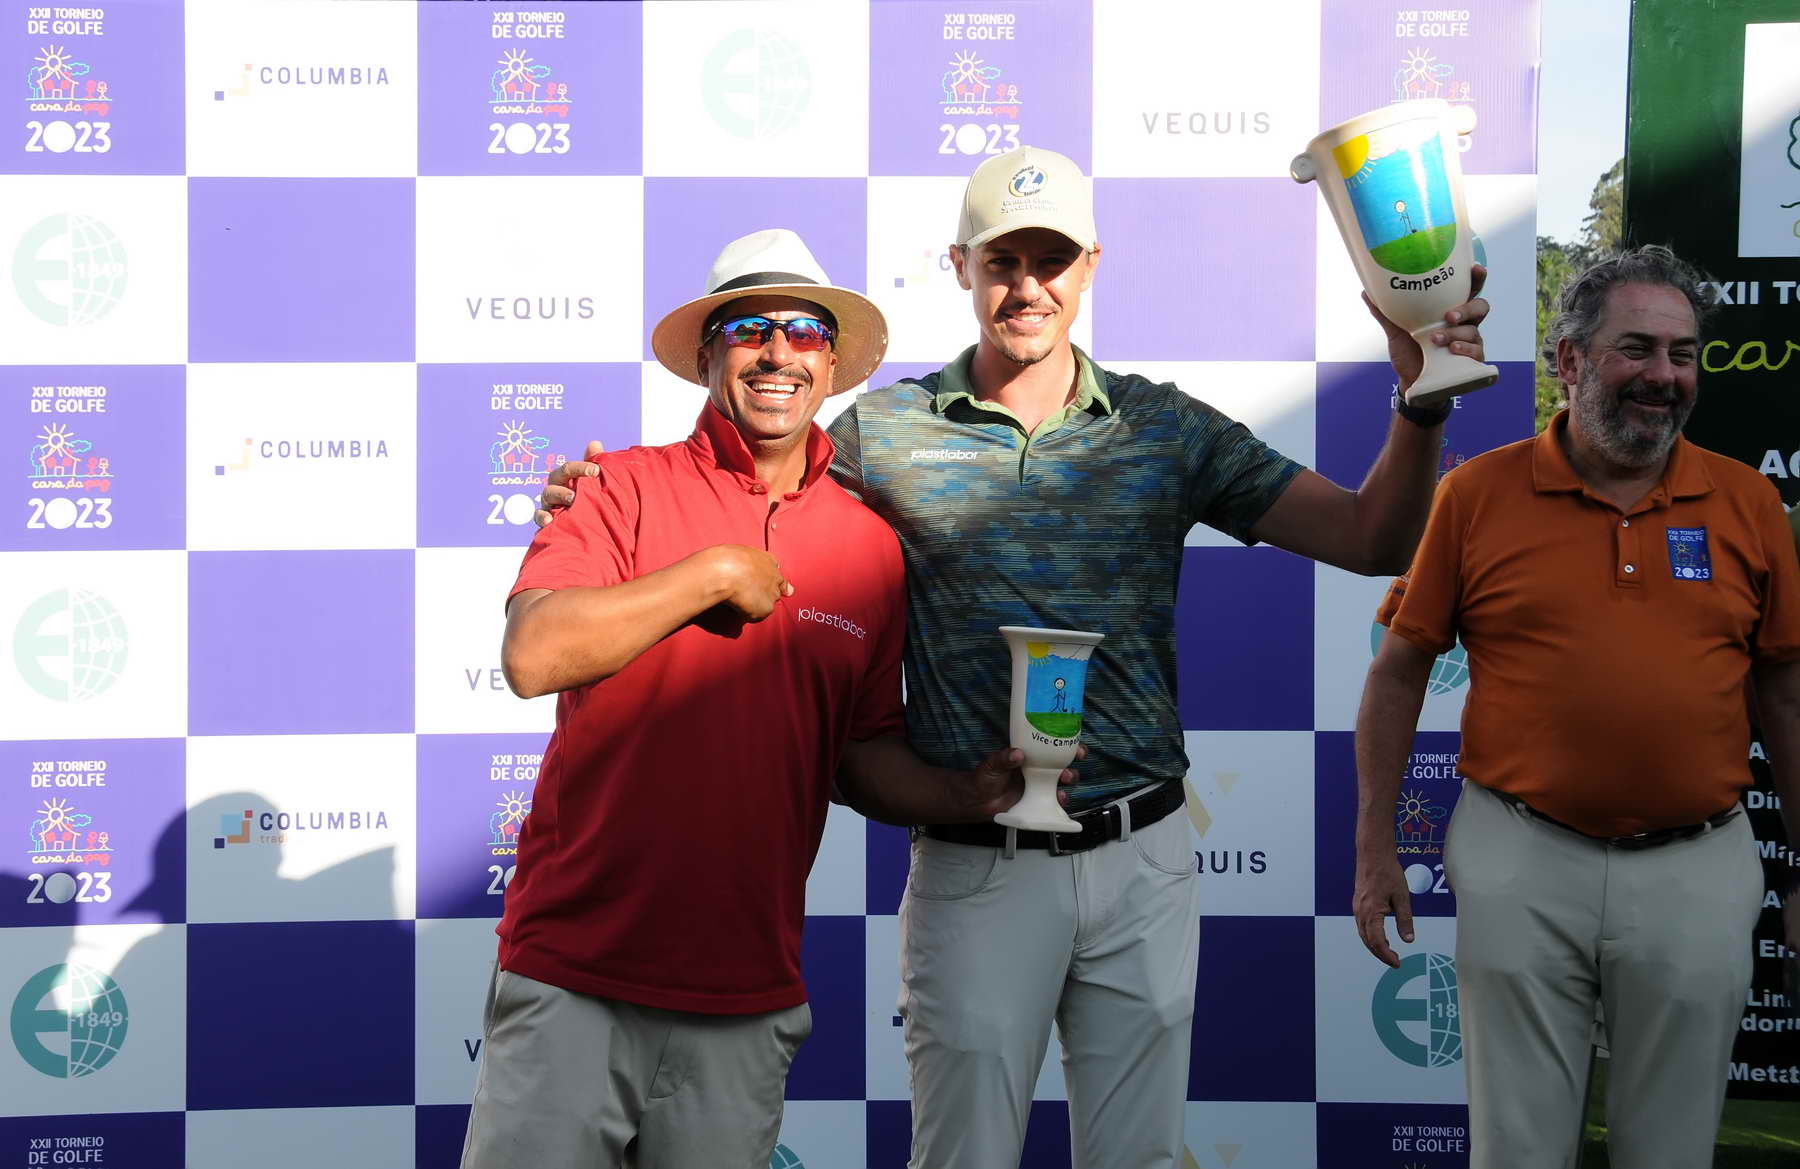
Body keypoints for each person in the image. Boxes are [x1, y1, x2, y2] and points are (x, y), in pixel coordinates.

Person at [542, 146, 1490, 1169]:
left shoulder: (1162, 425)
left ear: (1090, 266)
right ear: (962, 266)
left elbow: (1372, 538)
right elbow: (747, 492)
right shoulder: (882, 432)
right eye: (1002, 260)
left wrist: (1421, 402)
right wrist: (603, 500)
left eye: (1050, 260)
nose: (1026, 286)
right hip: (975, 860)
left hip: (1142, 852)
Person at [464, 228, 1066, 1169]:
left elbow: (858, 751)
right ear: (708, 357)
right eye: (750, 329)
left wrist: (964, 793)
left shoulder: (870, 546)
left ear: (829, 364)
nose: (778, 352)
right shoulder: (619, 486)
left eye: (804, 332)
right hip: (573, 977)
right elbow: (534, 655)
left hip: (744, 999)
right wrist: (709, 573)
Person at [1352, 245, 1800, 1169]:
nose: (1664, 376)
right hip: (1521, 858)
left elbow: (1786, 692)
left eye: (1682, 355)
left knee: (1671, 1151)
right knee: (1516, 1150)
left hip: (1698, 865)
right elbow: (1397, 673)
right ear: (1568, 359)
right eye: (1636, 348)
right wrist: (1373, 845)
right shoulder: (1477, 493)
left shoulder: (1748, 501)